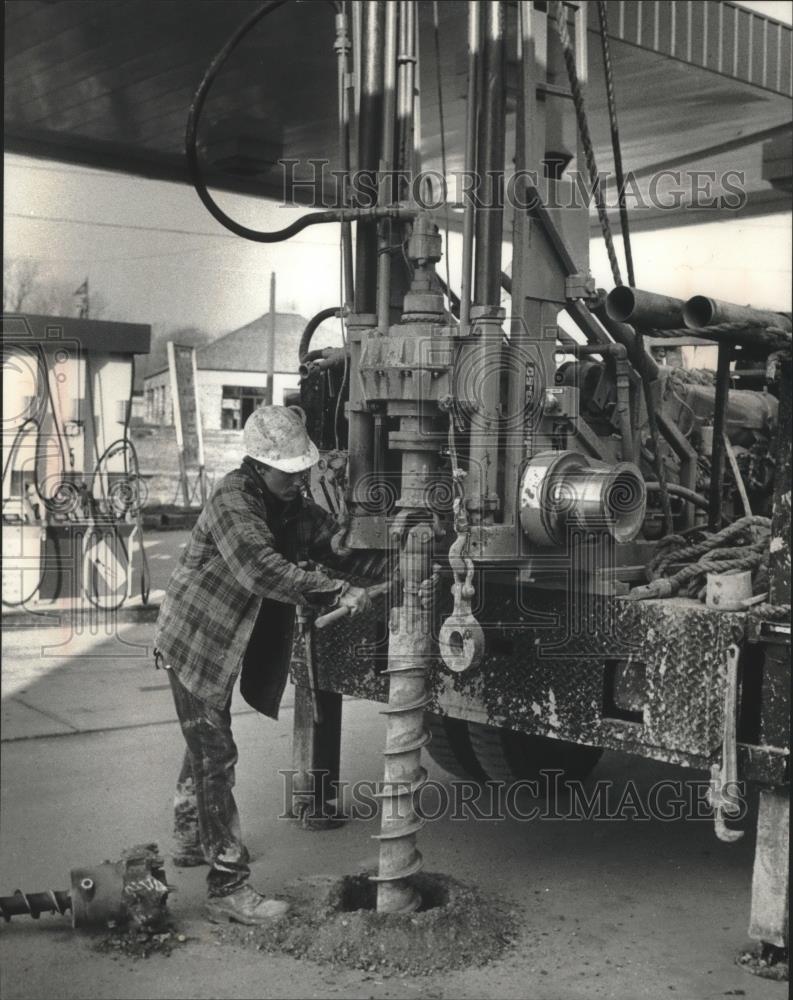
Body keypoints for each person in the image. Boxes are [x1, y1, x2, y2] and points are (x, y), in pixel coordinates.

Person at [153, 405, 370, 925]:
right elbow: (260, 569)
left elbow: (336, 545)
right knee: (215, 753)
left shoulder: (291, 503)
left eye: (303, 471)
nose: (299, 480)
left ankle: (189, 835)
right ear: (259, 465)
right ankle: (227, 886)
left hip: (232, 639)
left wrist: (401, 557)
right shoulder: (234, 499)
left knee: (204, 742)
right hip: (197, 640)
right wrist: (338, 589)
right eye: (289, 472)